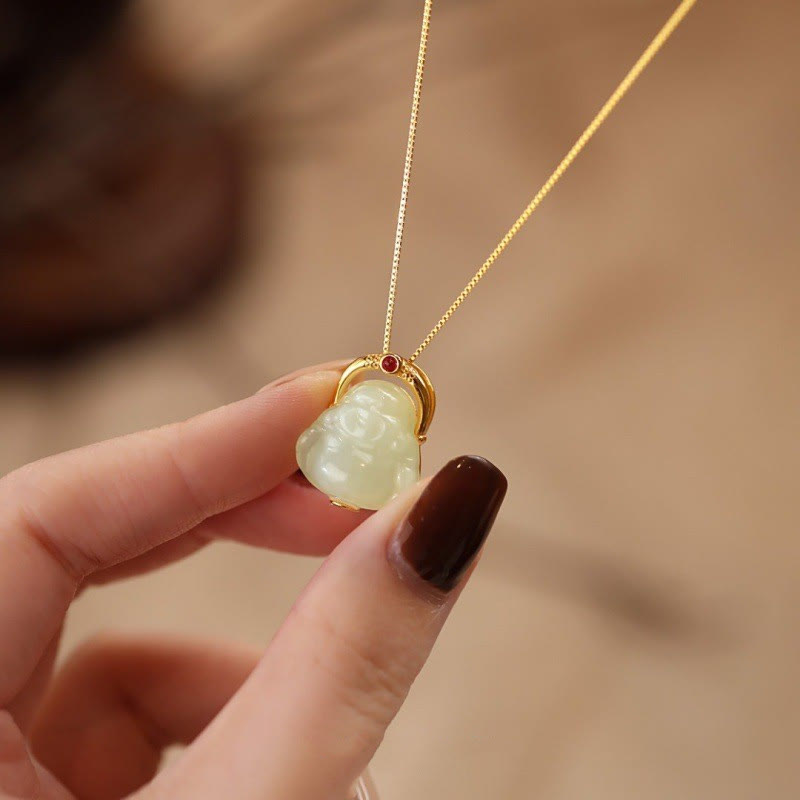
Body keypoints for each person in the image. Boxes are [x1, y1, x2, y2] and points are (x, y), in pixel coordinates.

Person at [0, 362, 506, 799]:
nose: (370, 426)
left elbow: (392, 472)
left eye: (382, 421)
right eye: (361, 415)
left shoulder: (393, 454)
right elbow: (312, 442)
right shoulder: (327, 436)